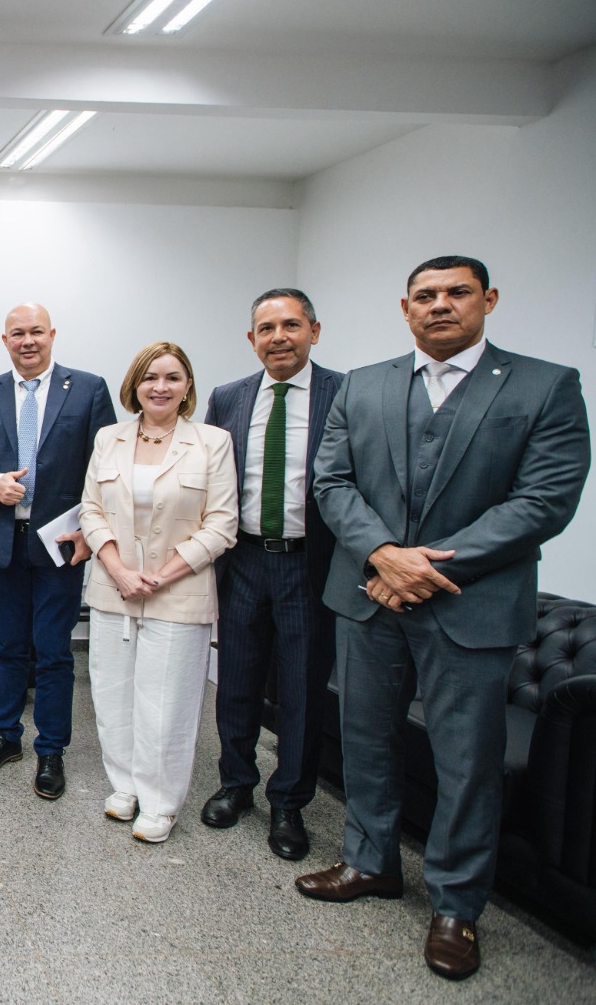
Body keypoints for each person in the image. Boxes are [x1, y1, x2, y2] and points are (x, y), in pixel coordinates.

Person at [296, 255, 590, 981]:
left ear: (488, 299)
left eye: (458, 292)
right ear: (405, 308)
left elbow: (544, 500)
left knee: (468, 763)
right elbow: (331, 481)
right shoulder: (364, 385)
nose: (440, 305)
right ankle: (370, 863)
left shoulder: (545, 385)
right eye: (425, 295)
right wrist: (382, 555)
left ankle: (456, 906)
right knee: (366, 740)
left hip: (472, 606)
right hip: (368, 596)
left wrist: (422, 568)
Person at [199, 290, 343, 860]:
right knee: (235, 679)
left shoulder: (344, 394)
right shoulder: (228, 397)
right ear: (252, 338)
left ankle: (289, 802)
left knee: (302, 688)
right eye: (266, 328)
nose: (278, 337)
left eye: (291, 325)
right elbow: (208, 476)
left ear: (314, 331)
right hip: (243, 558)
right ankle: (236, 783)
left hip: (309, 563)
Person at [0, 303, 115, 800]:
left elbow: (106, 468)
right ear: (4, 341)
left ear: (52, 335)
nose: (28, 341)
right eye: (17, 333)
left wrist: (89, 530)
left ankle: (51, 749)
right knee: (7, 645)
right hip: (2, 540)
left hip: (61, 544)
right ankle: (6, 736)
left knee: (54, 651)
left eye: (36, 332)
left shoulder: (87, 389)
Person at [79, 342, 238, 843]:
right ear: (135, 385)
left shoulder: (212, 442)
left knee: (166, 703)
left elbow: (222, 524)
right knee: (112, 693)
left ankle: (160, 802)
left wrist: (160, 576)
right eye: (150, 377)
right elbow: (90, 510)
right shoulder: (109, 438)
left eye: (172, 377)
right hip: (114, 588)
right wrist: (119, 570)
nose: (160, 387)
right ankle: (124, 785)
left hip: (179, 590)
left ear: (188, 386)